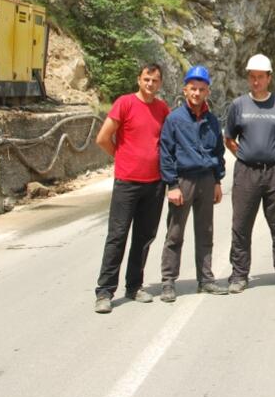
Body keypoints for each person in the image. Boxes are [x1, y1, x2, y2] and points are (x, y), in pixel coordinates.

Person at [93, 63, 170, 314]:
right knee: (117, 236)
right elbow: (103, 137)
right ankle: (104, 291)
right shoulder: (124, 103)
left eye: (155, 80)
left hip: (155, 184)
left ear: (160, 84)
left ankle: (134, 286)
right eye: (146, 79)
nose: (150, 84)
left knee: (144, 237)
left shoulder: (162, 109)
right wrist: (122, 158)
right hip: (127, 183)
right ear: (139, 80)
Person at [224, 54, 275, 294]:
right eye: (252, 77)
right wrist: (246, 156)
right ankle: (239, 275)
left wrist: (272, 156)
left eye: (260, 77)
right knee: (241, 225)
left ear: (269, 78)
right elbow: (229, 139)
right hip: (246, 173)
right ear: (248, 78)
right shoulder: (238, 105)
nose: (256, 82)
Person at [158, 65, 228, 302]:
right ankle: (168, 282)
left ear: (207, 91)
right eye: (193, 88)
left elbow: (218, 151)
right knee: (175, 233)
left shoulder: (212, 120)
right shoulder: (174, 119)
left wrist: (218, 181)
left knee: (205, 231)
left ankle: (206, 279)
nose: (197, 93)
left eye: (201, 89)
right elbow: (166, 152)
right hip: (184, 180)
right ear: (185, 90)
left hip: (207, 179)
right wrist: (172, 185)